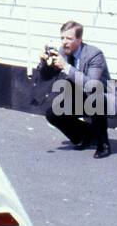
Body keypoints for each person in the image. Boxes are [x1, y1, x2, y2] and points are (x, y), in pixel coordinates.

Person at [37, 20, 112, 159]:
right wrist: (44, 64)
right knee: (52, 114)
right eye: (62, 38)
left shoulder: (94, 55)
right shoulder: (62, 52)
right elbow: (46, 77)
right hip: (78, 97)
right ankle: (86, 136)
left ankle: (103, 144)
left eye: (69, 39)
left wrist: (66, 67)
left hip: (102, 99)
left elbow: (92, 85)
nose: (64, 42)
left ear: (79, 39)